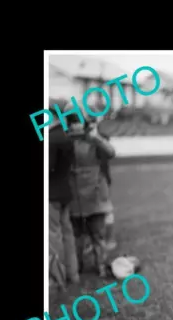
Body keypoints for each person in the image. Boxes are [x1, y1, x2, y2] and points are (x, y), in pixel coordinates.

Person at [67, 113, 117, 277]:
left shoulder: (95, 140)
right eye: (73, 123)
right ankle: (78, 266)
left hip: (94, 193)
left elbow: (110, 153)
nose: (76, 126)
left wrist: (95, 138)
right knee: (77, 235)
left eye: (78, 123)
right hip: (75, 195)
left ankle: (101, 266)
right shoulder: (66, 140)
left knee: (97, 234)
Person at [49, 97, 80, 290]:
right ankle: (72, 274)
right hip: (65, 192)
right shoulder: (65, 137)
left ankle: (56, 279)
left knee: (53, 238)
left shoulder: (51, 138)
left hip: (51, 194)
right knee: (67, 235)